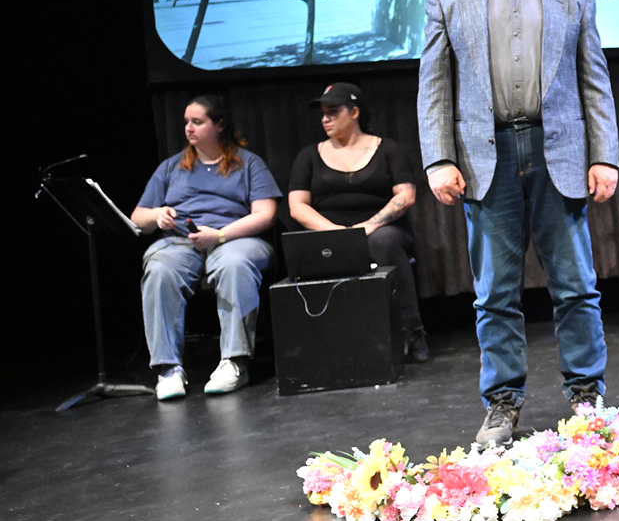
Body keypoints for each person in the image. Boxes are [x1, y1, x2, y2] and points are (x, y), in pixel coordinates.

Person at [418, 0, 619, 446]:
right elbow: (434, 85)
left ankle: (587, 396)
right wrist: (438, 159)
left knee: (576, 285)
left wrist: (604, 155)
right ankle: (502, 403)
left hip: (559, 151)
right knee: (495, 293)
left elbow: (594, 82)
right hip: (487, 156)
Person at [131, 94, 281, 400]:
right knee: (159, 269)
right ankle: (169, 369)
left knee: (234, 264)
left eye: (197, 122)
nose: (189, 128)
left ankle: (235, 362)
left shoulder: (248, 163)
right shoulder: (172, 167)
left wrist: (221, 235)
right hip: (181, 241)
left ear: (219, 124)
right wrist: (157, 215)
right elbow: (137, 218)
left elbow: (265, 214)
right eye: (186, 121)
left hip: (235, 238)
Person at [287, 82, 430, 364]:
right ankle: (322, 343)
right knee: (304, 247)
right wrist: (338, 233)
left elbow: (406, 196)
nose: (325, 119)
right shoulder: (309, 156)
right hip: (328, 231)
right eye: (323, 113)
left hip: (381, 229)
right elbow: (297, 206)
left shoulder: (388, 149)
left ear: (354, 112)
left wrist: (367, 227)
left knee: (383, 242)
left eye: (333, 112)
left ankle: (411, 330)